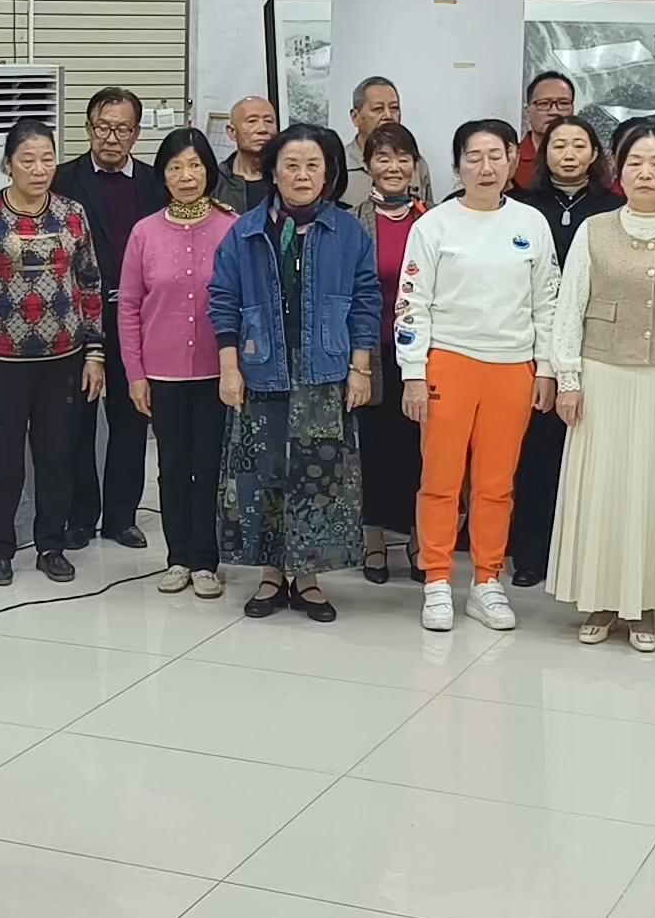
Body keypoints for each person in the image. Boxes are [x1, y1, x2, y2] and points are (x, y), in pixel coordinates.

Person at [545, 123, 655, 651]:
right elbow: (569, 308)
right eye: (635, 162)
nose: (645, 172)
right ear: (618, 170)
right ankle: (600, 598)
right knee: (604, 491)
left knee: (654, 492)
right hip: (602, 377)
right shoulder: (594, 230)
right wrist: (568, 378)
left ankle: (645, 606)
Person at [211, 123, 381, 622]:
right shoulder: (246, 231)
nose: (302, 175)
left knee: (319, 477)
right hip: (261, 368)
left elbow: (366, 300)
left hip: (324, 371)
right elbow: (223, 300)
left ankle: (307, 578)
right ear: (273, 172)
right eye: (291, 165)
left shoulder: (347, 231)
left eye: (312, 166)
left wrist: (361, 368)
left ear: (327, 174)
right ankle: (271, 574)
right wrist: (229, 369)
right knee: (263, 475)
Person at [398, 119, 560, 632]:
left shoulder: (531, 223)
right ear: (456, 167)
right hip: (449, 361)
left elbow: (546, 302)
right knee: (441, 479)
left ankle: (487, 580)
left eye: (496, 155)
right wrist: (413, 373)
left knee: (496, 482)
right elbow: (411, 305)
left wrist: (546, 368)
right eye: (474, 157)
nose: (486, 167)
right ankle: (437, 579)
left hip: (513, 366)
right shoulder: (434, 226)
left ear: (512, 160)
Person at [0, 118, 107, 587]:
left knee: (56, 457)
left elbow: (90, 284)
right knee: (2, 461)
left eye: (47, 159)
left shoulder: (72, 214)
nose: (39, 169)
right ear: (7, 164)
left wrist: (94, 352)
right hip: (1, 361)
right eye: (28, 160)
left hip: (63, 359)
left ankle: (51, 545)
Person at [120, 128, 236, 599]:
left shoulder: (232, 227)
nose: (186, 176)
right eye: (175, 167)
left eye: (194, 166)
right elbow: (129, 306)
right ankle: (178, 558)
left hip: (216, 371)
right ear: (163, 175)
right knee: (171, 467)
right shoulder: (144, 232)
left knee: (209, 467)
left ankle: (206, 560)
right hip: (162, 373)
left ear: (208, 171)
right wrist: (135, 374)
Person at [509, 115, 624, 588]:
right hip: (533, 345)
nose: (569, 154)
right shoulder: (521, 207)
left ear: (595, 154)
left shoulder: (613, 210)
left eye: (580, 145)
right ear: (544, 153)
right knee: (536, 454)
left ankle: (581, 556)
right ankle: (531, 555)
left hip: (595, 347)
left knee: (588, 455)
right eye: (559, 145)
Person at [54, 88, 166, 552]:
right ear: (88, 128)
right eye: (102, 127)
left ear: (136, 134)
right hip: (79, 320)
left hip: (137, 319)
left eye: (122, 129)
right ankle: (81, 515)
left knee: (132, 418)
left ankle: (122, 516)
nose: (111, 137)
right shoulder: (63, 180)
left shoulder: (156, 182)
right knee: (77, 422)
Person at [351, 123, 431, 583]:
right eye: (383, 158)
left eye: (403, 158)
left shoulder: (433, 220)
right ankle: (374, 541)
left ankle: (420, 539)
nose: (394, 167)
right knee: (374, 450)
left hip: (423, 356)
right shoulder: (352, 222)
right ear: (368, 166)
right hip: (371, 354)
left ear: (415, 165)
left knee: (421, 450)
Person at [347, 76, 435, 203]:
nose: (388, 116)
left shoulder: (417, 164)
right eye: (378, 109)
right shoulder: (341, 163)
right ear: (355, 117)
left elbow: (427, 211)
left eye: (394, 108)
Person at [215, 95, 278, 212]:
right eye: (252, 121)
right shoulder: (215, 181)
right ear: (232, 132)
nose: (262, 129)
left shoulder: (285, 177)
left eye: (269, 121)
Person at [514, 71, 575, 191]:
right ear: (527, 112)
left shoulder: (586, 159)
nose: (554, 112)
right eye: (544, 104)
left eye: (563, 103)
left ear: (573, 109)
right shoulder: (511, 160)